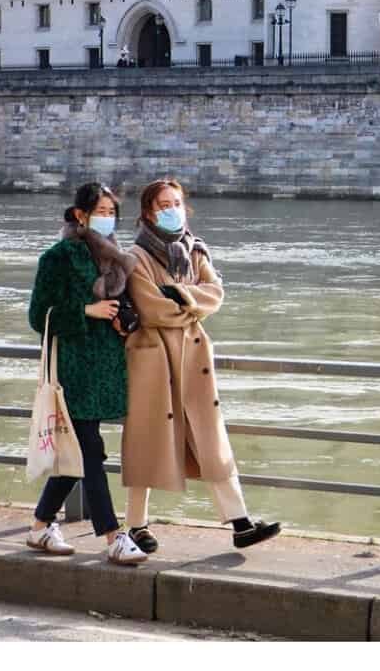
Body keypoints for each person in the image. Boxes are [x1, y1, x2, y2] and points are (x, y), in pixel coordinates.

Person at [119, 178, 281, 553]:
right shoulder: (135, 257)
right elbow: (151, 308)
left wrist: (178, 296)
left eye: (176, 202)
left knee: (212, 439)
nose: (172, 209)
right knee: (148, 440)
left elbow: (216, 294)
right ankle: (136, 526)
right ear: (148, 212)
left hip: (193, 359)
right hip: (153, 360)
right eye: (163, 204)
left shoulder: (196, 251)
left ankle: (240, 522)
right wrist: (191, 302)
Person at [25, 181, 148, 566]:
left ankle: (40, 525)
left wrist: (123, 321)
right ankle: (114, 536)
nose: (107, 219)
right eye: (101, 212)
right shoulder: (58, 257)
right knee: (90, 449)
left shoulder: (115, 259)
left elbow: (123, 307)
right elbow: (37, 316)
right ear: (80, 215)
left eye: (113, 213)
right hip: (74, 370)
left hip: (107, 367)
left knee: (81, 450)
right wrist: (85, 311)